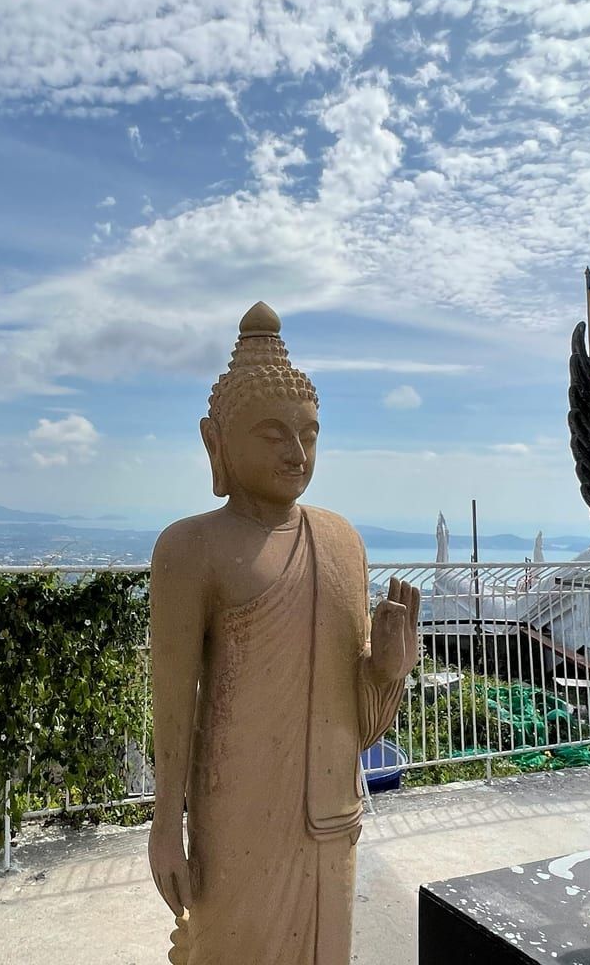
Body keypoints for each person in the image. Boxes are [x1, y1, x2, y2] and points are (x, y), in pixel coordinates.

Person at [148, 301, 420, 964]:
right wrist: (165, 826)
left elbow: (358, 720)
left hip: (330, 805)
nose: (297, 453)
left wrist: (387, 671)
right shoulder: (192, 547)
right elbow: (173, 700)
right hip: (237, 806)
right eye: (273, 435)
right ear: (216, 442)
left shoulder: (340, 541)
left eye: (309, 434)